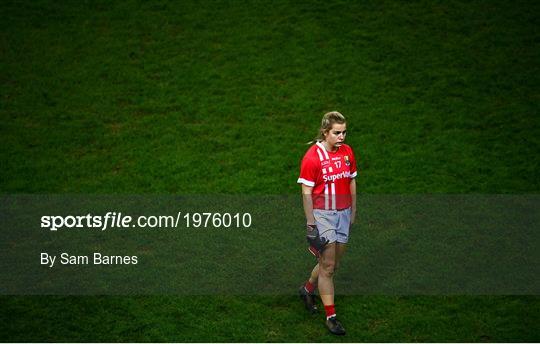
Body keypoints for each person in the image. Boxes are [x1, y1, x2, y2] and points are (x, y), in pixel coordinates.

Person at [297, 111, 357, 336]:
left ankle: (307, 289)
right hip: (323, 215)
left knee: (331, 264)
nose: (342, 137)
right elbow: (306, 192)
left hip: (343, 213)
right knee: (329, 267)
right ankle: (331, 317)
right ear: (325, 132)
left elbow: (352, 180)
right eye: (337, 133)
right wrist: (311, 224)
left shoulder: (347, 152)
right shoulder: (312, 157)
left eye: (344, 132)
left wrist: (353, 210)